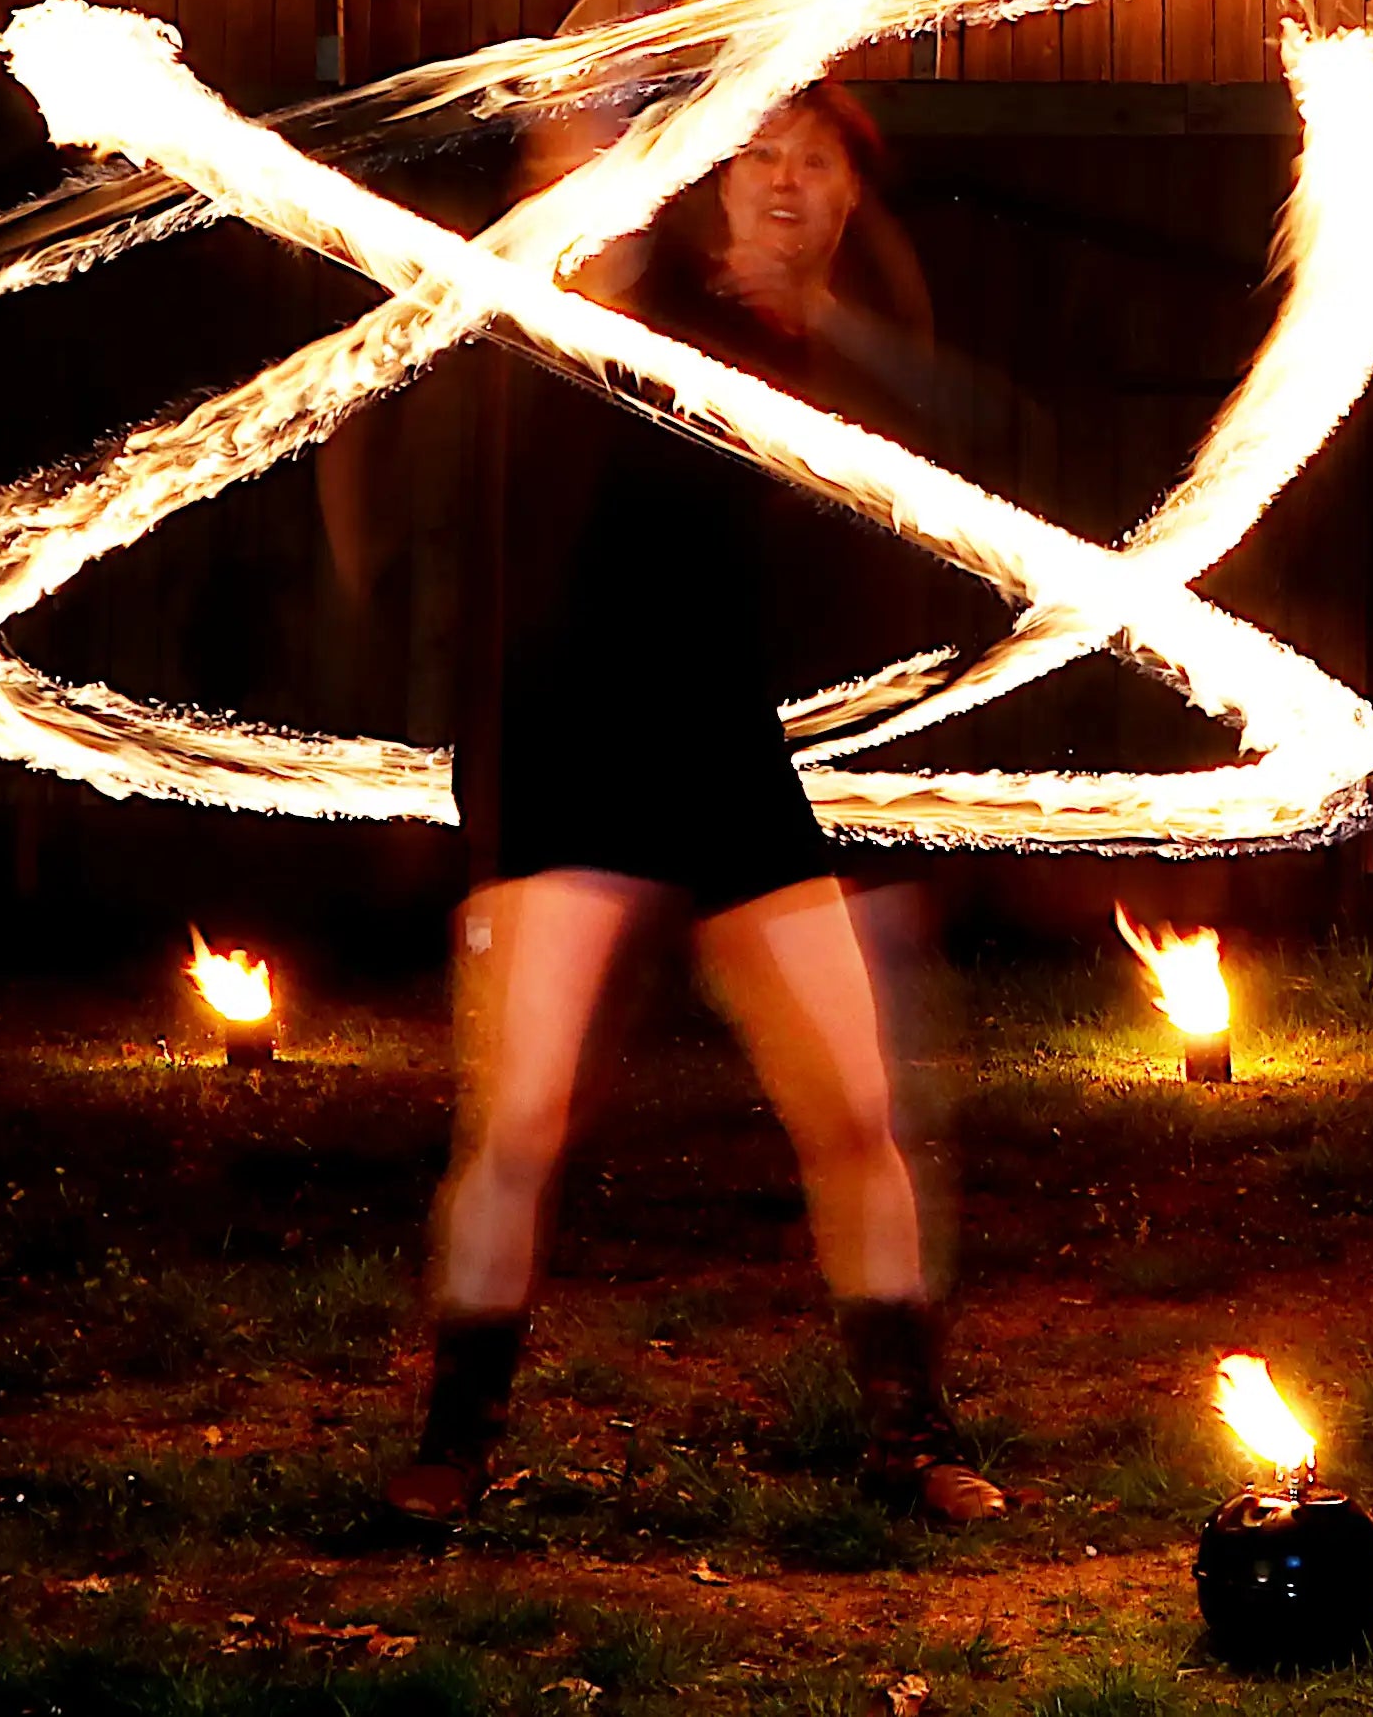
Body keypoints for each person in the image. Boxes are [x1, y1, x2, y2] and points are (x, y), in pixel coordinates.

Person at [385, 86, 1005, 1529]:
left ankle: (909, 1434)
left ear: (851, 198)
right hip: (572, 747)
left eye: (813, 163)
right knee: (522, 1118)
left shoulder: (840, 359)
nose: (784, 182)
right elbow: (568, 131)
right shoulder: (630, 284)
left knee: (856, 1108)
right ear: (706, 182)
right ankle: (453, 1437)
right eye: (758, 157)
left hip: (729, 758)